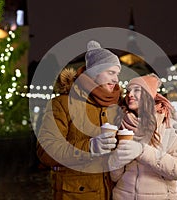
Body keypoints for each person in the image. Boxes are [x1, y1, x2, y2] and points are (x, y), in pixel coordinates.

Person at [37, 40, 123, 199]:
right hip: (77, 194)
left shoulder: (116, 105)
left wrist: (171, 119)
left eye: (117, 74)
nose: (116, 79)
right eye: (111, 72)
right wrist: (89, 147)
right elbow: (46, 151)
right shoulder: (62, 104)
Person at [108, 74, 177, 200]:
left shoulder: (170, 125)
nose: (130, 95)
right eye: (129, 90)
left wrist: (142, 151)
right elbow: (115, 177)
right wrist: (118, 159)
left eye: (137, 90)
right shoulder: (120, 123)